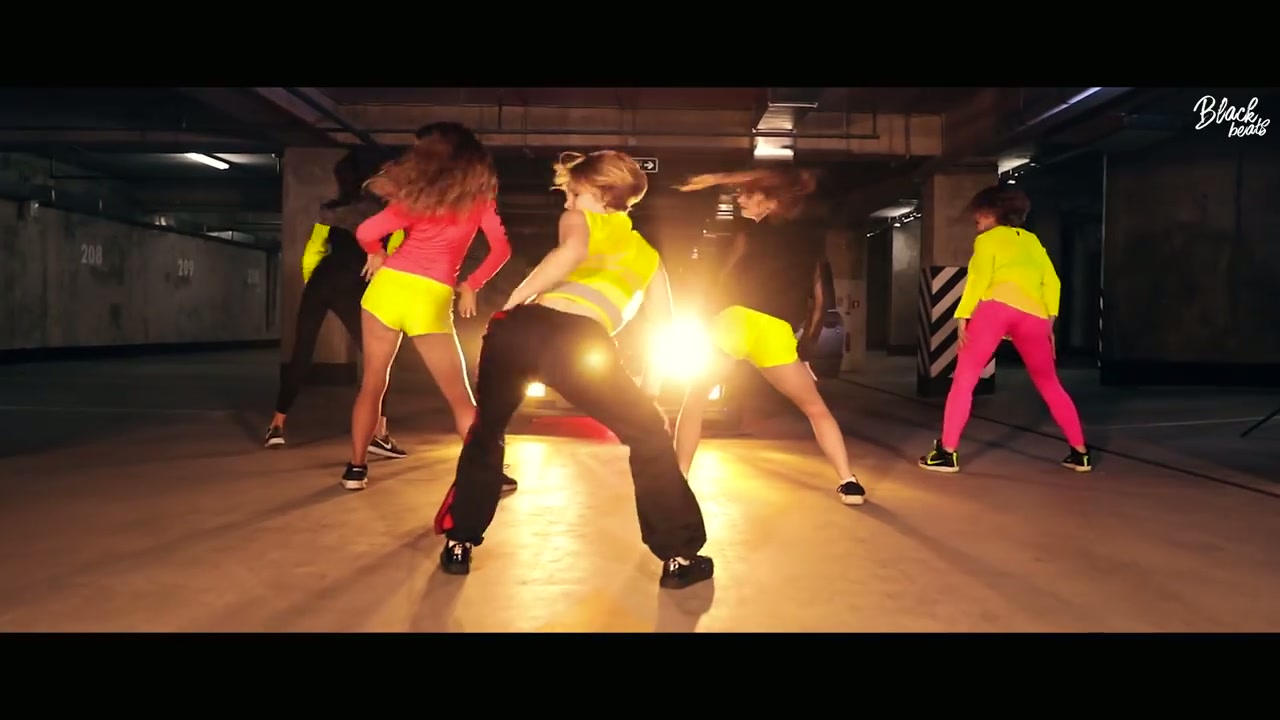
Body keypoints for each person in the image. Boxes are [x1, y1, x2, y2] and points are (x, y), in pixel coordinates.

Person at [432, 150, 714, 590]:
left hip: (521, 330)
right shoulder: (648, 258)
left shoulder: (581, 222)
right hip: (579, 344)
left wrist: (511, 305)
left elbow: (570, 253)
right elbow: (663, 325)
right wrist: (651, 389)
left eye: (574, 193)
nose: (567, 202)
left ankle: (458, 544)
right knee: (648, 435)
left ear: (602, 193)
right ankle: (679, 557)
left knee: (488, 430)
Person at [673, 168, 867, 506]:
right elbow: (822, 300)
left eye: (749, 194)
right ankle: (848, 482)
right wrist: (805, 353)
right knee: (816, 409)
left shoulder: (746, 234)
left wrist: (708, 320)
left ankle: (679, 479)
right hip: (775, 333)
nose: (741, 199)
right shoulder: (812, 242)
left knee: (694, 402)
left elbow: (721, 280)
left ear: (772, 202)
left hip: (733, 322)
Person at [342, 122, 517, 492]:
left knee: (372, 384)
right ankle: (487, 473)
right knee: (459, 397)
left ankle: (355, 469)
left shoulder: (416, 198)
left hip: (387, 290)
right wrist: (471, 284)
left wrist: (376, 253)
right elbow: (501, 250)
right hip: (430, 298)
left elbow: (366, 232)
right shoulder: (479, 201)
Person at [917, 184, 1091, 473]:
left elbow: (979, 279)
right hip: (1035, 316)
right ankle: (1080, 452)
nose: (975, 219)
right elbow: (1053, 282)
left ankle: (947, 453)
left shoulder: (987, 240)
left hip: (995, 309)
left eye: (979, 213)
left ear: (990, 213)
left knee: (965, 379)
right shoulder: (1032, 241)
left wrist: (962, 316)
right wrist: (1049, 320)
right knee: (1050, 384)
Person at [264, 165, 407, 460]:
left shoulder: (332, 210)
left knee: (302, 352)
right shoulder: (391, 218)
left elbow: (312, 251)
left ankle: (276, 426)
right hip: (354, 287)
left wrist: (314, 284)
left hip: (322, 280)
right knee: (378, 361)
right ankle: (380, 434)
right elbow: (391, 262)